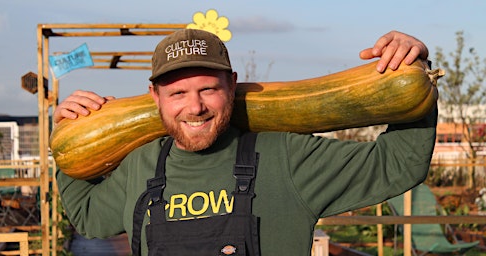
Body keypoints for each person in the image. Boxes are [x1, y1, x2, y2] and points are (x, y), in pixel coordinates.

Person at [54, 29, 436, 255]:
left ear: (232, 86)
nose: (195, 107)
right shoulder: (141, 164)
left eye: (208, 89)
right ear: (154, 97)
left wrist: (412, 71)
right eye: (177, 93)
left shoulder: (283, 156)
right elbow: (88, 217)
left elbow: (401, 162)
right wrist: (66, 133)